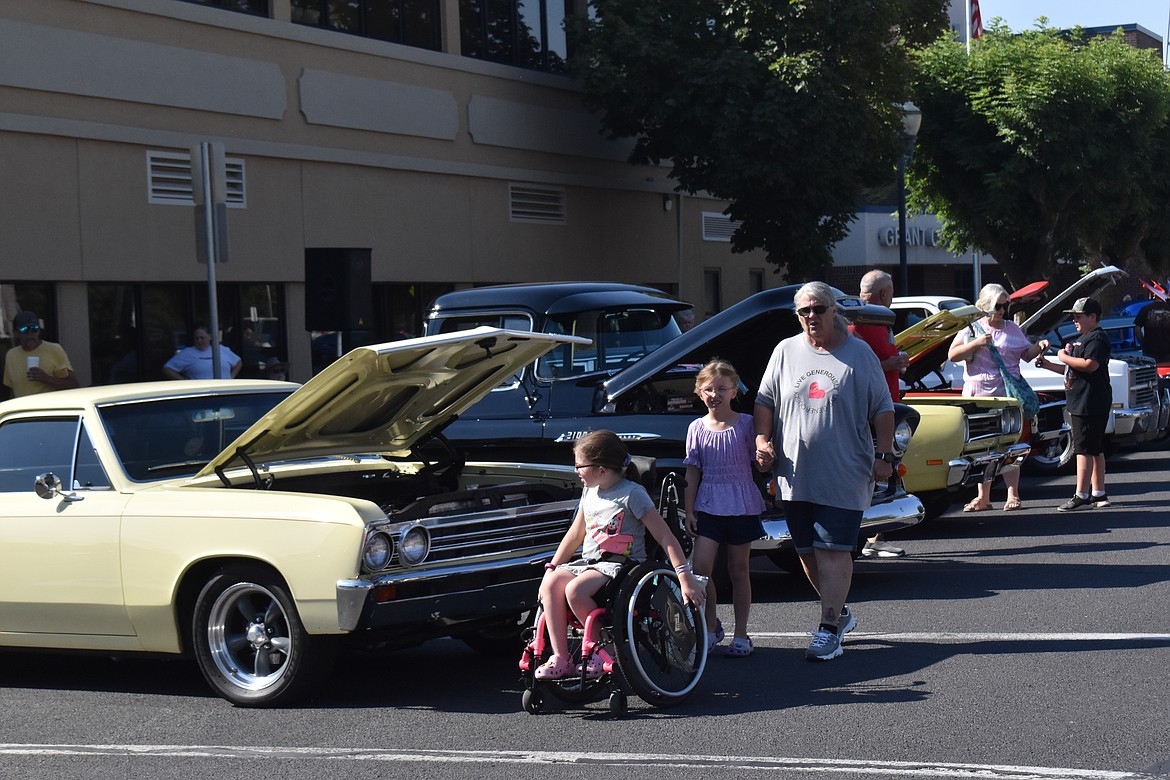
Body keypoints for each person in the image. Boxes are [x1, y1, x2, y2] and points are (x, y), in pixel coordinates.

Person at [754, 282, 895, 662]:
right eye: (804, 311)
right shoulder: (785, 351)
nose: (811, 317)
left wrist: (885, 455)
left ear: (834, 311)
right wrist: (762, 440)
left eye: (818, 309)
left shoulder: (859, 353)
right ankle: (841, 612)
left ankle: (829, 627)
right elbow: (764, 401)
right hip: (794, 474)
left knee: (833, 551)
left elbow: (883, 407)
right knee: (807, 553)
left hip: (846, 471)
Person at [535, 430, 706, 680]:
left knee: (575, 591)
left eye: (579, 466)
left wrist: (684, 576)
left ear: (602, 469)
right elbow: (574, 535)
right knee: (551, 583)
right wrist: (552, 567)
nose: (576, 471)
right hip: (592, 563)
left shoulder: (632, 494)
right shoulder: (590, 492)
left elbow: (665, 536)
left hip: (621, 565)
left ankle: (602, 646)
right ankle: (561, 657)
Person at [684, 359, 767, 658]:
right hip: (708, 505)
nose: (714, 394)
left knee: (739, 569)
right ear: (699, 392)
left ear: (734, 391)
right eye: (708, 389)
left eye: (722, 388)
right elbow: (692, 472)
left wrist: (765, 457)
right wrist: (689, 510)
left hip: (741, 503)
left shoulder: (746, 423)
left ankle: (742, 634)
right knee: (701, 571)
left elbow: (760, 459)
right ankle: (710, 627)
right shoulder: (695, 428)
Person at [946, 284, 1045, 512]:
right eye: (998, 306)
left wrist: (1039, 346)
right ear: (986, 305)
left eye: (1005, 305)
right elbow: (952, 355)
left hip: (1006, 396)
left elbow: (1026, 355)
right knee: (982, 449)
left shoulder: (1012, 328)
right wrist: (975, 344)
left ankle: (1013, 494)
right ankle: (983, 497)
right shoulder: (972, 329)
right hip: (978, 396)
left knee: (1009, 445)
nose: (1002, 310)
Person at [851, 270, 910, 558]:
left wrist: (895, 361)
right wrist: (892, 362)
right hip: (874, 407)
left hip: (885, 402)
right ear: (885, 293)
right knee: (881, 468)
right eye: (892, 290)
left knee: (889, 468)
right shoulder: (862, 319)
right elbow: (860, 362)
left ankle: (874, 535)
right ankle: (870, 536)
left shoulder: (870, 318)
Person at [1034, 297, 1112, 511]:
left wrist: (1062, 356)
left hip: (1089, 401)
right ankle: (1099, 492)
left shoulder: (1096, 338)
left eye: (1079, 317)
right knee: (1094, 448)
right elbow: (1073, 370)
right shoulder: (1084, 338)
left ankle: (1082, 494)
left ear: (1092, 317)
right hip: (1084, 399)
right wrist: (1050, 364)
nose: (1075, 321)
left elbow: (1090, 365)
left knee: (1084, 449)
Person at [3, 310, 80, 397]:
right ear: (15, 333)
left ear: (39, 331)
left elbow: (73, 385)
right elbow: (13, 389)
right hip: (23, 409)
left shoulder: (54, 350)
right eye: (24, 329)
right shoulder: (11, 355)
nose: (30, 334)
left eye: (34, 329)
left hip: (49, 409)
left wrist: (45, 378)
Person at [162, 325, 242, 380]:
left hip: (225, 392)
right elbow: (168, 369)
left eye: (202, 338)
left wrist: (231, 377)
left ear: (210, 337)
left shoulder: (221, 349)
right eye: (196, 338)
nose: (199, 341)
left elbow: (238, 362)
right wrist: (184, 382)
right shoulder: (187, 353)